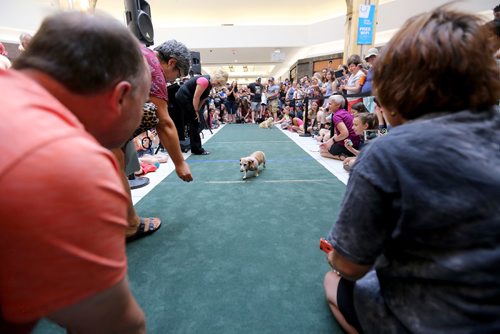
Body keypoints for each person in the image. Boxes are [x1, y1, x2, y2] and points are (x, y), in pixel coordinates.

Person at [323, 6, 500, 333]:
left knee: (333, 282)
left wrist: (333, 258)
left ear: (396, 84)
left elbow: (351, 264)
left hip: (433, 319)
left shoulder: (386, 152)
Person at [0, 11, 150, 333]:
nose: (142, 117)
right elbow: (116, 327)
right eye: (144, 103)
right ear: (121, 96)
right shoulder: (71, 162)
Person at [115, 39, 194, 241]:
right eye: (176, 77)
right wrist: (180, 163)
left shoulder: (138, 51)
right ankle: (130, 224)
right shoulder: (153, 68)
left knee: (117, 151)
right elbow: (164, 122)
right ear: (172, 63)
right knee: (149, 114)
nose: (170, 82)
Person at [175, 69, 228, 155]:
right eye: (218, 82)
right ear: (215, 78)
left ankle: (193, 146)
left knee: (196, 120)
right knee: (194, 122)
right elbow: (196, 97)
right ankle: (197, 149)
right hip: (183, 97)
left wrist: (198, 111)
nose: (217, 85)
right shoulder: (204, 81)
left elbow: (202, 99)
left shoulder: (210, 85)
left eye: (219, 84)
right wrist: (195, 111)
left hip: (189, 99)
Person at [319, 95, 360, 160]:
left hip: (348, 144)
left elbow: (345, 133)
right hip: (355, 143)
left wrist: (333, 140)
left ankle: (341, 157)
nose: (328, 106)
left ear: (338, 105)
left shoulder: (337, 116)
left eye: (330, 104)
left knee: (323, 152)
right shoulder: (344, 112)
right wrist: (330, 141)